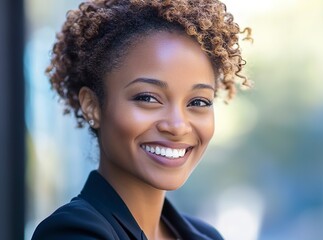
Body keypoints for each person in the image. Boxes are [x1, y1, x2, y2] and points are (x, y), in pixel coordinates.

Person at [32, 0, 251, 239]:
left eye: (198, 102)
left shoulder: (206, 236)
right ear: (92, 106)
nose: (177, 126)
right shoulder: (72, 232)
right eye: (148, 98)